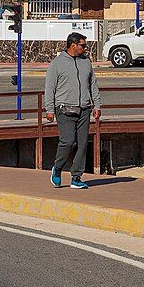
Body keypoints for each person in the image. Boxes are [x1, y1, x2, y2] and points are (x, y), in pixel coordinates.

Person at [46, 32, 99, 190]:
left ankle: (76, 177)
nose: (85, 48)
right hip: (64, 109)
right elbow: (50, 88)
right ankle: (58, 168)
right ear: (73, 45)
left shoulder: (86, 62)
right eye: (82, 45)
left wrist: (97, 105)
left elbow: (93, 84)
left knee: (82, 144)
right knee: (68, 141)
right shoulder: (57, 63)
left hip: (84, 109)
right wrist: (49, 109)